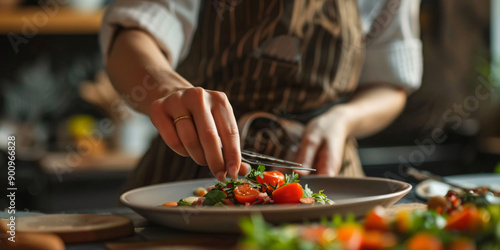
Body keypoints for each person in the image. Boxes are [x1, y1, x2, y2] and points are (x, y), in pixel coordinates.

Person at [100, 0, 422, 191]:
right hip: (191, 171)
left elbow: (391, 84)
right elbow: (133, 34)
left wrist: (343, 119)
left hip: (326, 176)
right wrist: (172, 91)